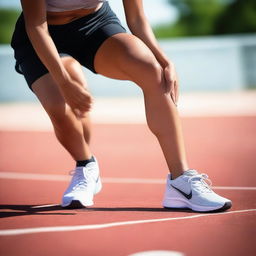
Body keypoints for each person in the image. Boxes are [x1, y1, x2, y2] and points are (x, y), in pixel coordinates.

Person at [11, 0, 232, 212]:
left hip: (94, 24)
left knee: (153, 72)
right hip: (41, 33)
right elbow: (36, 25)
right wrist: (64, 82)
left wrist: (164, 61)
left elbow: (136, 18)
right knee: (59, 106)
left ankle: (180, 181)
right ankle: (86, 166)